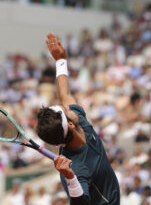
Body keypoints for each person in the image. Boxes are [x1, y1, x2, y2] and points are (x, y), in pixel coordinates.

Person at [37, 33, 120, 205]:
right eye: (65, 110)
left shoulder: (78, 120)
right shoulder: (76, 168)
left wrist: (60, 61)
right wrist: (70, 178)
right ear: (69, 124)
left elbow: (64, 94)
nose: (67, 106)